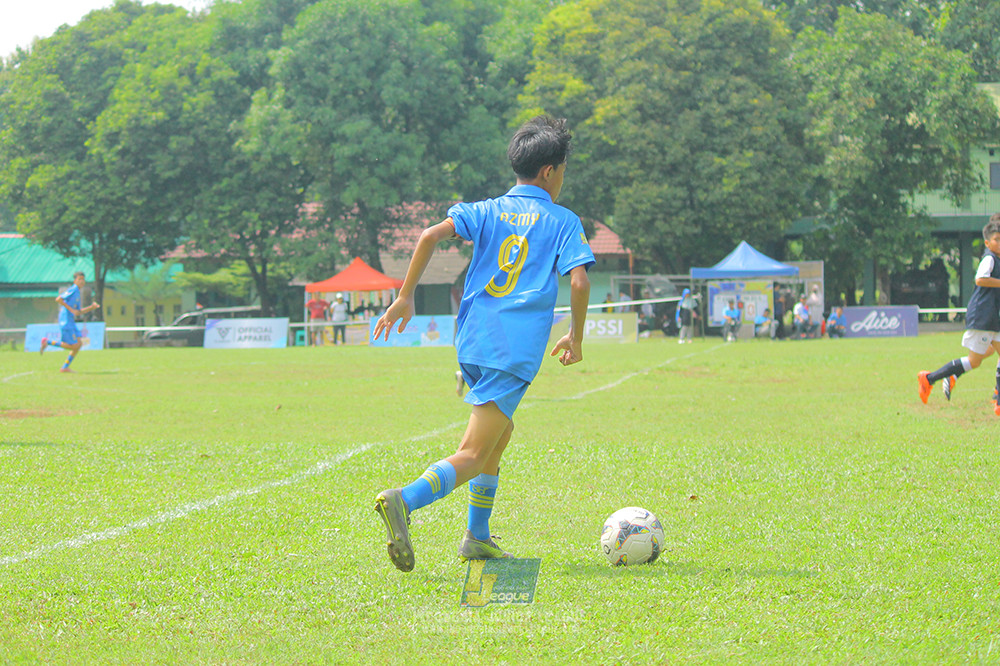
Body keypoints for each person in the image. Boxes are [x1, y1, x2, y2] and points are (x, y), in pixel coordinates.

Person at [371, 115, 594, 572]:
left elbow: (429, 235)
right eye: (563, 171)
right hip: (512, 349)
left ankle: (477, 537)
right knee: (474, 453)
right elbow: (579, 281)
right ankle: (403, 500)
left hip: (472, 340)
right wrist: (575, 334)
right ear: (550, 171)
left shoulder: (488, 209)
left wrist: (406, 296)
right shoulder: (563, 220)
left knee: (500, 435)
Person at [919, 215, 1000, 411]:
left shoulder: (997, 259)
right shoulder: (989, 258)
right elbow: (980, 279)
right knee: (974, 361)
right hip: (983, 316)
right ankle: (929, 378)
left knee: (981, 359)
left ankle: (998, 400)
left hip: (991, 317)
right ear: (987, 243)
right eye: (997, 239)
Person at [39, 271, 100, 372]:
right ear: (75, 280)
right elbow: (58, 299)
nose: (82, 281)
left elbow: (78, 312)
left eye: (83, 279)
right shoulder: (73, 289)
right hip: (66, 320)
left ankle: (65, 367)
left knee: (79, 344)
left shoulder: (78, 292)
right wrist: (71, 310)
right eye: (79, 279)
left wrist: (91, 307)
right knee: (73, 346)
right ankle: (47, 342)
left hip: (71, 321)